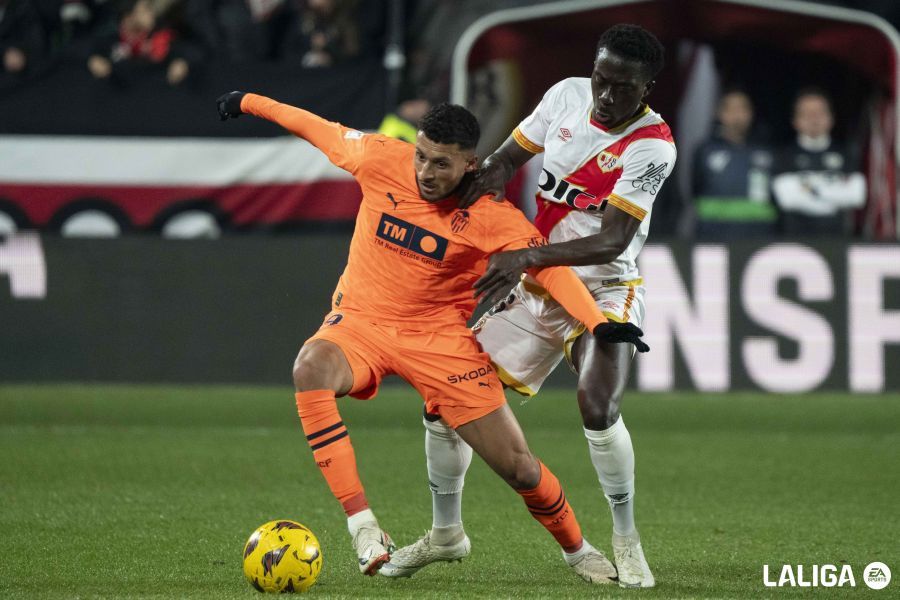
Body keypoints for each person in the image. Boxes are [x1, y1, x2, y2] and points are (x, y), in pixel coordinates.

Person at [216, 92, 649, 582]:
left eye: (441, 164)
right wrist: (248, 101)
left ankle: (577, 550)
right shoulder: (381, 158)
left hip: (438, 340)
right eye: (421, 155)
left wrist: (597, 323)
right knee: (310, 367)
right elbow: (315, 125)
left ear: (471, 164)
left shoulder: (492, 215)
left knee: (519, 469)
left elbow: (551, 273)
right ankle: (364, 527)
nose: (424, 171)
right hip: (361, 322)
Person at [382, 24, 675, 588]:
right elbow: (503, 162)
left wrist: (522, 254)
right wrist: (455, 199)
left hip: (604, 288)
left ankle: (626, 539)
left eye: (623, 88)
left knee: (597, 405)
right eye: (601, 80)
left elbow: (612, 238)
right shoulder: (565, 95)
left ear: (648, 87)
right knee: (446, 399)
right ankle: (446, 534)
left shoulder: (651, 145)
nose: (607, 97)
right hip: (535, 286)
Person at [771, 88, 866, 236]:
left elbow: (856, 195)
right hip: (795, 242)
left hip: (838, 240)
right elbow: (787, 199)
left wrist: (811, 190)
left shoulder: (846, 154)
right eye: (807, 114)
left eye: (820, 112)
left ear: (831, 118)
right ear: (795, 121)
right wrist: (833, 195)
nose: (814, 119)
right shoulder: (784, 156)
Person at [692, 88, 775, 239]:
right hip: (713, 236)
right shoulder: (705, 151)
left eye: (743, 108)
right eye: (731, 109)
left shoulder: (767, 151)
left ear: (751, 113)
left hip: (759, 236)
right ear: (719, 114)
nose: (737, 115)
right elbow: (694, 189)